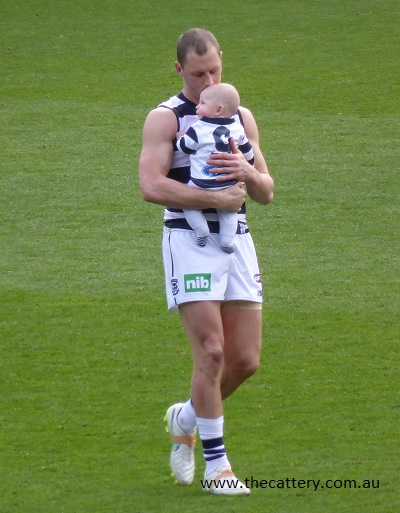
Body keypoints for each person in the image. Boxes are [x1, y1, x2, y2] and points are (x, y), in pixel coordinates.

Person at [139, 28, 274, 495]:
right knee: (212, 353)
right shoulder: (167, 119)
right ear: (180, 70)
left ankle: (186, 416)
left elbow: (267, 192)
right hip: (188, 239)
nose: (208, 80)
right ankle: (217, 467)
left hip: (236, 240)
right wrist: (207, 199)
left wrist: (248, 174)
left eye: (215, 70)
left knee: (244, 359)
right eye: (198, 74)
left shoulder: (241, 116)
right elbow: (151, 186)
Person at [177, 82, 254, 253]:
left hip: (201, 183)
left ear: (218, 110)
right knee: (228, 213)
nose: (197, 106)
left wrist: (180, 137)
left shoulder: (198, 128)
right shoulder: (237, 128)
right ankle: (227, 241)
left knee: (188, 206)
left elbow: (185, 147)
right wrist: (250, 164)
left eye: (203, 103)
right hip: (227, 183)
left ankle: (201, 231)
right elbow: (248, 152)